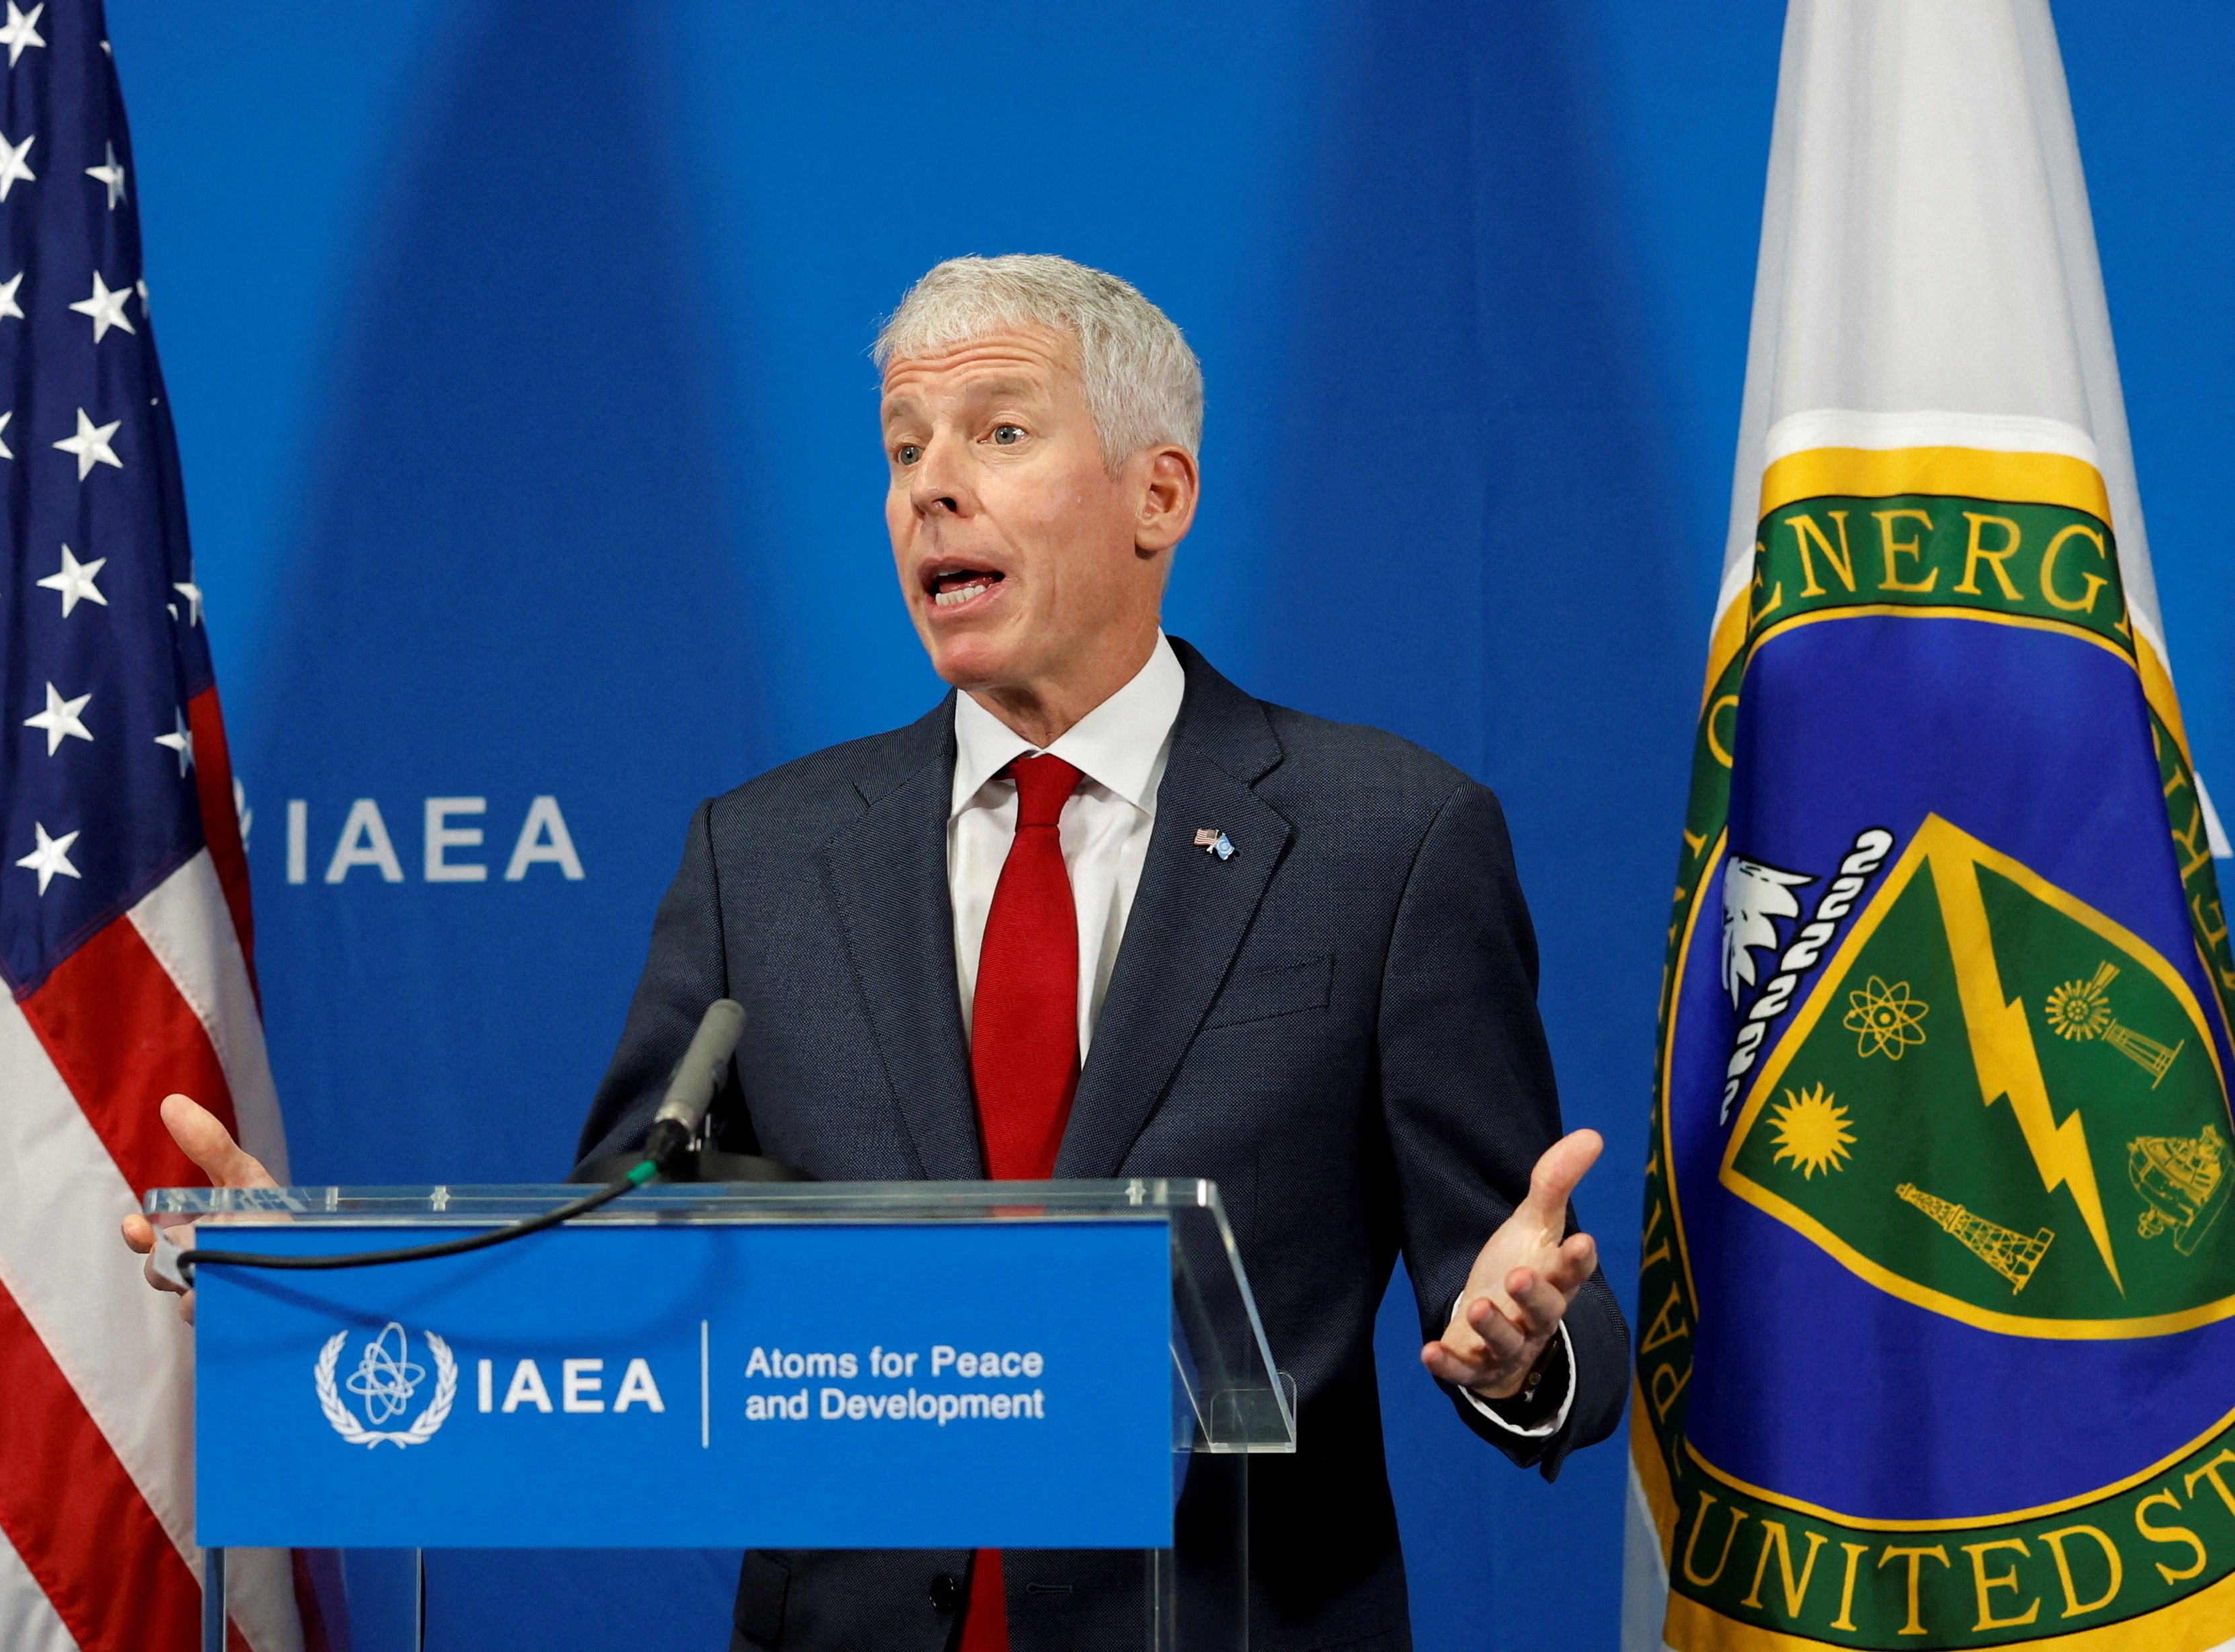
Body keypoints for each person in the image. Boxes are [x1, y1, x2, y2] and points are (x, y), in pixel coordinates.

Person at [127, 254, 1627, 1650]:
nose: (931, 488)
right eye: (905, 449)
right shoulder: (766, 854)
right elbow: (619, 1270)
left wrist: (1520, 1347)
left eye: (999, 433)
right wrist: (328, 1292)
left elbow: (1526, 1290)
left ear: (1157, 493)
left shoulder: (1385, 839)